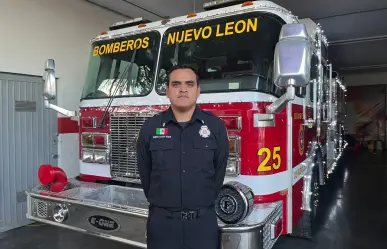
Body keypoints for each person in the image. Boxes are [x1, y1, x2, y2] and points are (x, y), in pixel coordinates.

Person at [136, 65, 229, 249]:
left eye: (189, 84)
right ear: (167, 91)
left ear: (198, 91)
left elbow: (219, 171)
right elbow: (145, 174)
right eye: (176, 84)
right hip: (162, 226)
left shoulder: (215, 127)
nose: (183, 89)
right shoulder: (150, 128)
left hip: (202, 226)